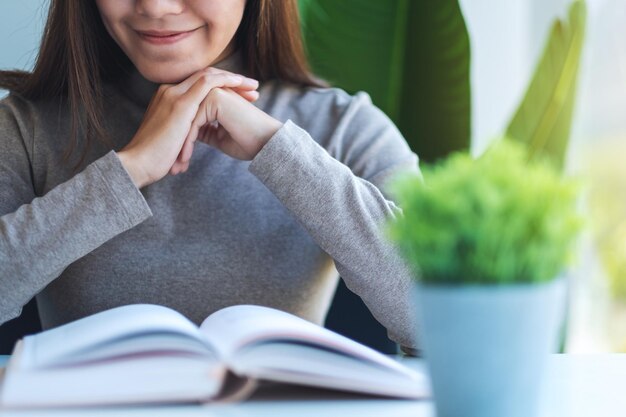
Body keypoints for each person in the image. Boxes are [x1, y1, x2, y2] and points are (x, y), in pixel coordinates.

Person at [0, 0, 420, 354]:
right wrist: (133, 167)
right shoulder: (25, 128)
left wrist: (273, 146)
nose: (156, 7)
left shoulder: (346, 127)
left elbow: (438, 317)